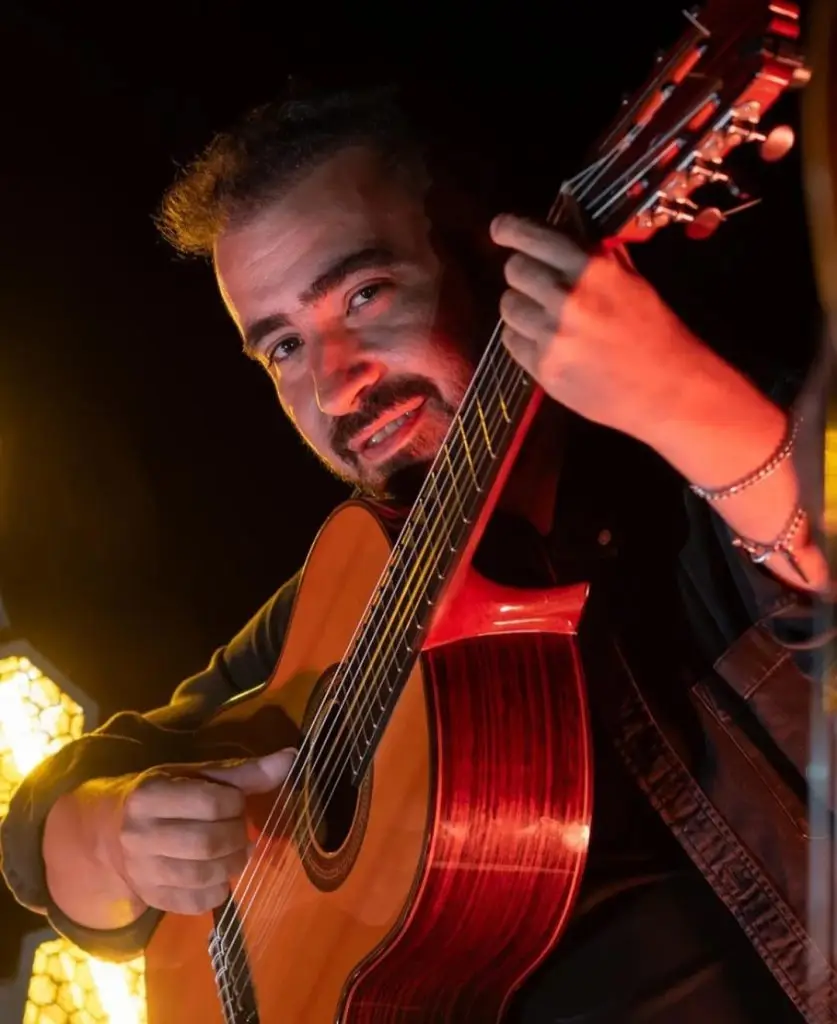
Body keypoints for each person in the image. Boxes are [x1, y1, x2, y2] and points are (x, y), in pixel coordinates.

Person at [0, 86, 830, 1022]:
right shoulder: (345, 593)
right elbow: (50, 826)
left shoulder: (705, 467)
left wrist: (680, 399)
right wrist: (113, 836)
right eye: (281, 346)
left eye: (364, 293)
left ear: (491, 253)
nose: (334, 380)